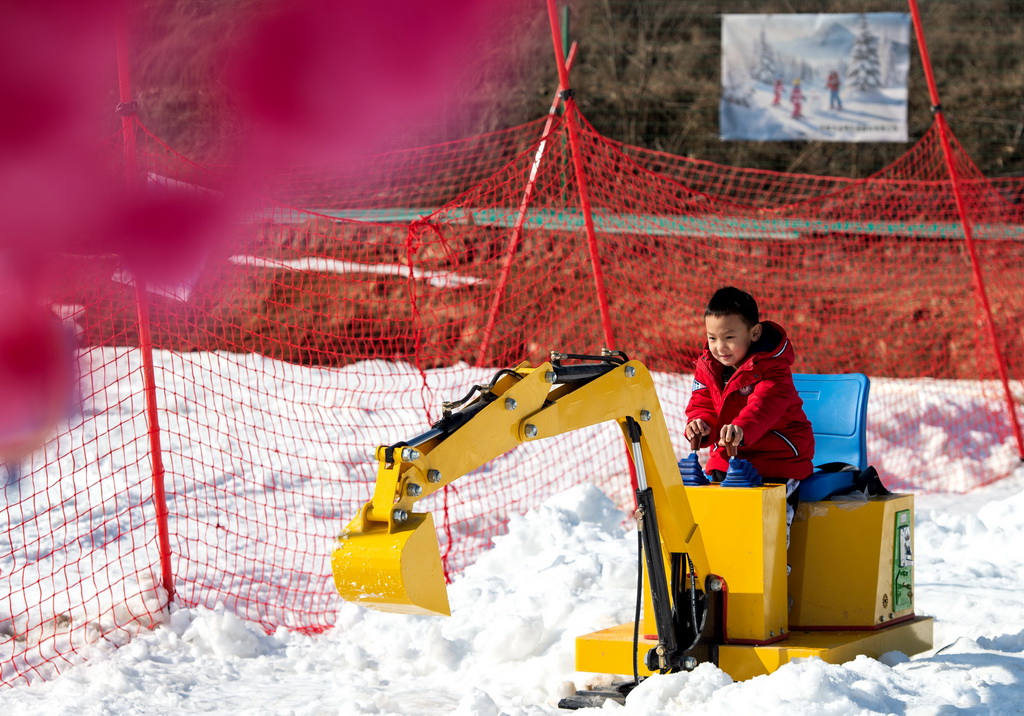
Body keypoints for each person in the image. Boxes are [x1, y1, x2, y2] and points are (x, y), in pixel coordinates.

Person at [684, 286, 815, 545]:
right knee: (720, 522)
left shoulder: (774, 370)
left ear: (754, 333)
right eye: (712, 338)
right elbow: (702, 403)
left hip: (777, 460)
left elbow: (763, 407)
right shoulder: (708, 367)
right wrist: (700, 425)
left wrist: (741, 427)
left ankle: (773, 567)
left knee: (767, 530)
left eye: (729, 337)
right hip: (730, 457)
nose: (719, 348)